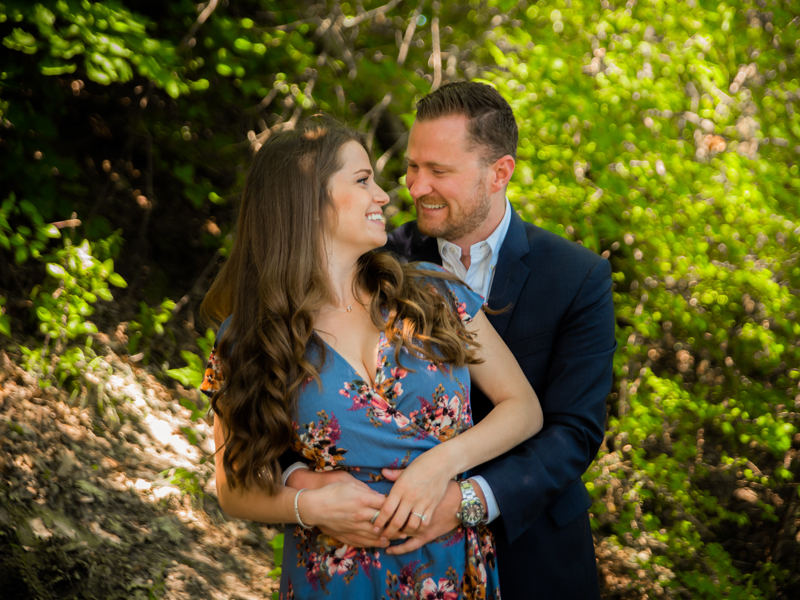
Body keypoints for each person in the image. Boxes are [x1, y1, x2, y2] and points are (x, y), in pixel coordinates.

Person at [288, 83, 617, 599]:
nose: (416, 187)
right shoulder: (378, 256)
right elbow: (304, 387)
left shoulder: (577, 277)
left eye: (439, 171)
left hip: (532, 548)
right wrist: (299, 481)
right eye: (413, 167)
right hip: (389, 550)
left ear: (499, 173)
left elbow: (573, 431)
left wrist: (465, 499)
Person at [199, 117, 544, 599]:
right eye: (362, 181)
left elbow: (523, 410)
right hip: (334, 577)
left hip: (447, 568)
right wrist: (309, 507)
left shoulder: (431, 292)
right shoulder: (249, 338)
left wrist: (441, 464)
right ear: (306, 199)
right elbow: (234, 489)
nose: (384, 195)